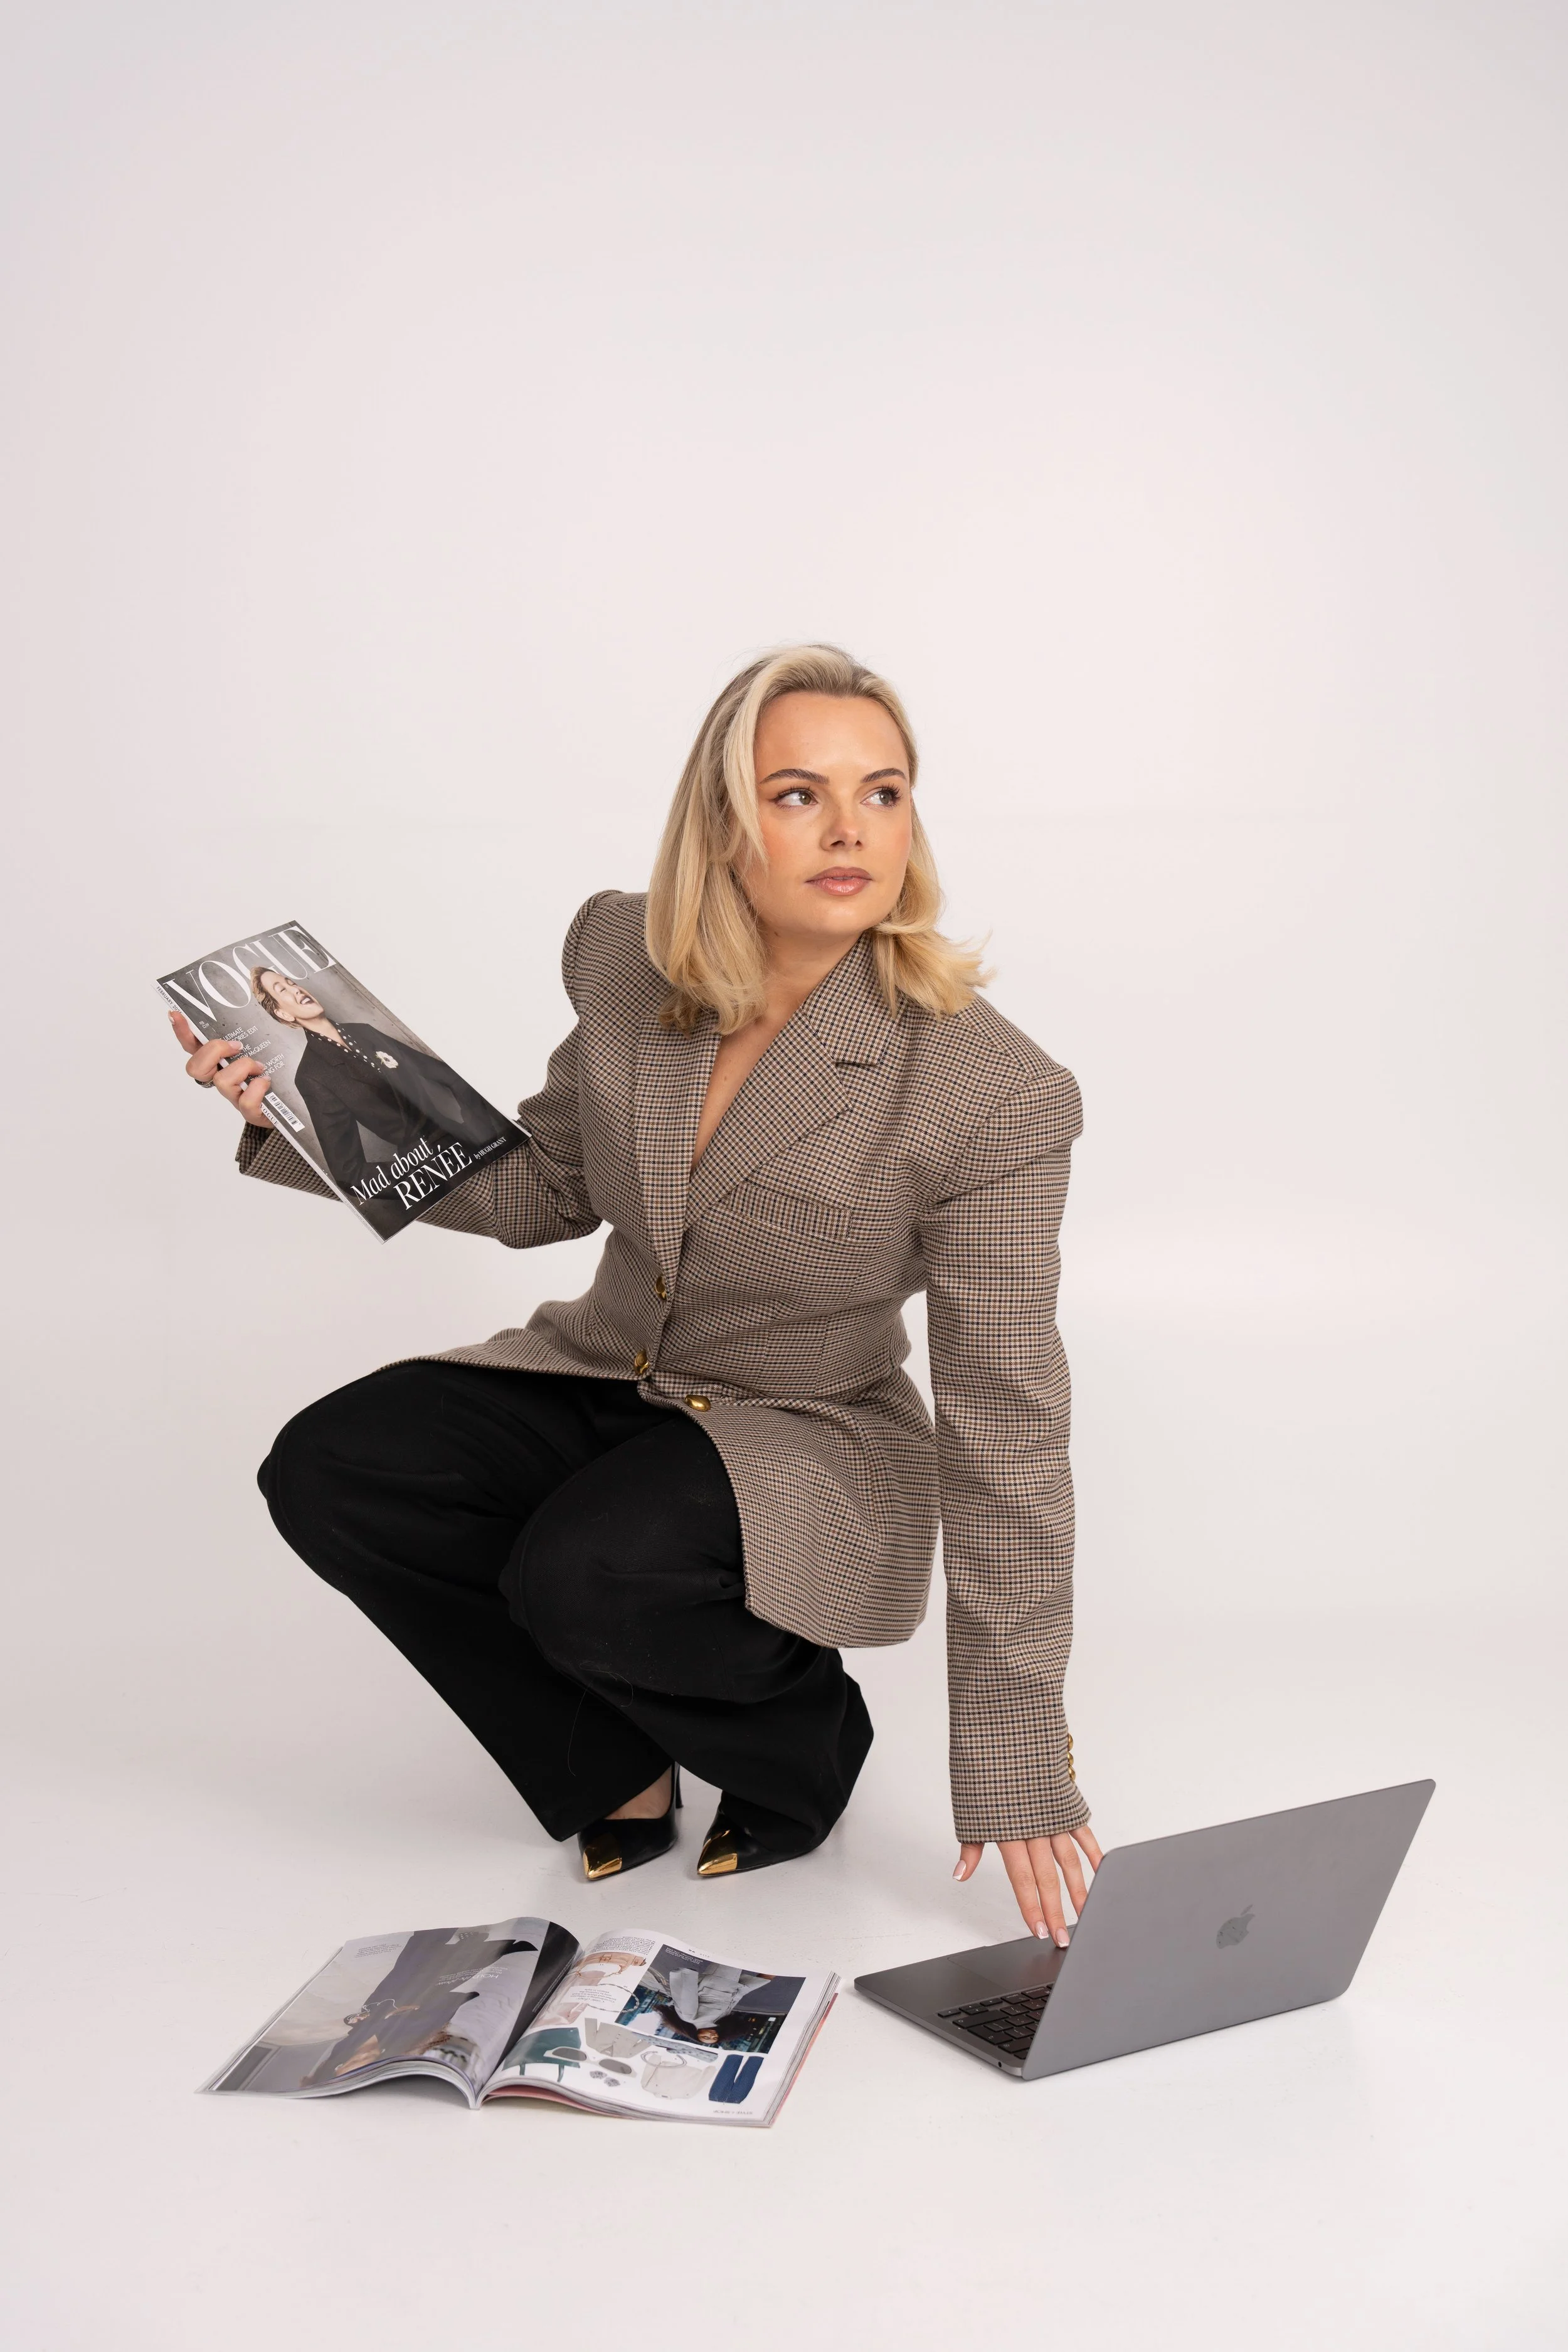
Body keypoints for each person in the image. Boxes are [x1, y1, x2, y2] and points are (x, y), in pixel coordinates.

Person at [168, 644, 1102, 1942]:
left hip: (804, 1426)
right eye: (798, 794)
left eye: (882, 793)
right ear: (721, 822)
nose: (850, 830)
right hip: (607, 1366)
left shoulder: (991, 1092)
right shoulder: (628, 959)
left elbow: (1007, 1424)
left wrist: (1016, 1752)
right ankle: (602, 1760)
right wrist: (293, 1115)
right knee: (334, 1469)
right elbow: (544, 1189)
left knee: (586, 1572)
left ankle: (801, 1746)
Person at [246, 966, 514, 1207]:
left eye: (291, 982)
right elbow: (349, 1174)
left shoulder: (364, 1031)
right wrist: (424, 1177)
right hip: (435, 1170)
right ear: (282, 1012)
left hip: (470, 1138)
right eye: (282, 989)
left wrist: (480, 1128)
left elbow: (448, 1077)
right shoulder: (311, 1075)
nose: (295, 989)